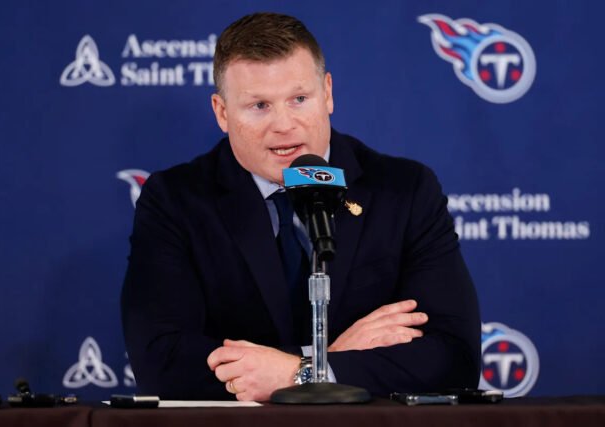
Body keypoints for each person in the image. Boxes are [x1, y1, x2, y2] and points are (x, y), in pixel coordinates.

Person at [121, 12, 480, 402]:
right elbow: (161, 363)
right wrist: (318, 364)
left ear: (327, 93)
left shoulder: (404, 191)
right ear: (222, 112)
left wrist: (300, 371)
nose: (283, 124)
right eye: (259, 105)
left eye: (299, 99)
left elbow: (454, 358)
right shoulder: (176, 201)